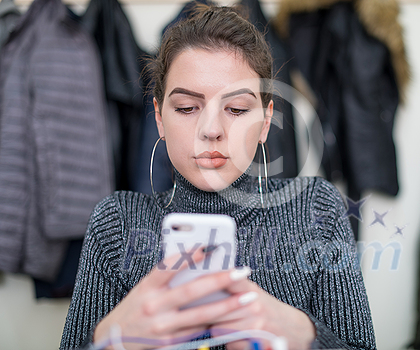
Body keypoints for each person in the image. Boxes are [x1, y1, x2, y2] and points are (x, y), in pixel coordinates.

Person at [60, 5, 376, 350]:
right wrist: (106, 343)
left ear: (266, 121)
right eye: (186, 108)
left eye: (237, 109)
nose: (211, 130)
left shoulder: (317, 208)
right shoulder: (116, 221)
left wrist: (307, 336)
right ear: (159, 118)